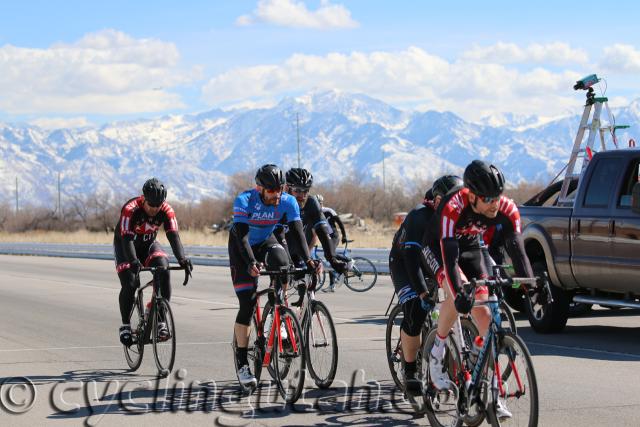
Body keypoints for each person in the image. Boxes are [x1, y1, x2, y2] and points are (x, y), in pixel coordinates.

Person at [428, 160, 534, 420]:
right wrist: (460, 293)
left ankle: (491, 392)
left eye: (497, 196)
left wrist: (532, 287)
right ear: (472, 196)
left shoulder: (506, 208)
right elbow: (450, 261)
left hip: (473, 248)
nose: (494, 203)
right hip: (439, 248)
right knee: (457, 293)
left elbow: (518, 252)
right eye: (487, 199)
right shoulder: (453, 206)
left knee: (486, 315)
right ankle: (437, 351)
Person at [229, 164, 320, 389]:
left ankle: (278, 311)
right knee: (247, 303)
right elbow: (241, 236)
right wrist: (251, 262)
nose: (276, 195)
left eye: (279, 189)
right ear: (259, 188)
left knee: (284, 264)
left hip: (265, 240)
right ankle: (242, 363)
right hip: (242, 247)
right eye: (271, 191)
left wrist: (309, 261)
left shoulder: (287, 202)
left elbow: (298, 233)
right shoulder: (245, 200)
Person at [388, 175, 463, 400]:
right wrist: (421, 292)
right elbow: (412, 258)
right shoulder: (420, 216)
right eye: (451, 201)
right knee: (416, 309)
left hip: (431, 261)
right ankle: (410, 369)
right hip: (404, 262)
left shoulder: (459, 214)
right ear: (438, 200)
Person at [115, 178, 193, 346]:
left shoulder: (166, 210)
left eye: (158, 205)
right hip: (125, 246)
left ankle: (160, 318)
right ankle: (126, 326)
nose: (154, 209)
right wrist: (133, 261)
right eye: (151, 205)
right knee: (130, 283)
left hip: (148, 244)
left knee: (164, 270)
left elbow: (173, 235)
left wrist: (182, 259)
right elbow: (127, 239)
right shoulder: (131, 209)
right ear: (144, 199)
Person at [280, 169, 346, 296]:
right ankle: (278, 307)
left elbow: (322, 231)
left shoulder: (311, 203)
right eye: (298, 190)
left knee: (306, 286)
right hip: (281, 247)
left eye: (306, 191)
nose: (302, 195)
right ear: (287, 188)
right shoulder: (280, 203)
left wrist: (332, 259)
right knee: (281, 282)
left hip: (299, 249)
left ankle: (303, 311)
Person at [316, 194, 350, 290]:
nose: (319, 205)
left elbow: (340, 223)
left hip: (334, 236)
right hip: (326, 238)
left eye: (320, 203)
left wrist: (344, 236)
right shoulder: (315, 213)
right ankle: (332, 285)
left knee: (331, 254)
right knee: (328, 258)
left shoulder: (328, 211)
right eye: (317, 203)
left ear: (322, 203)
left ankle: (347, 261)